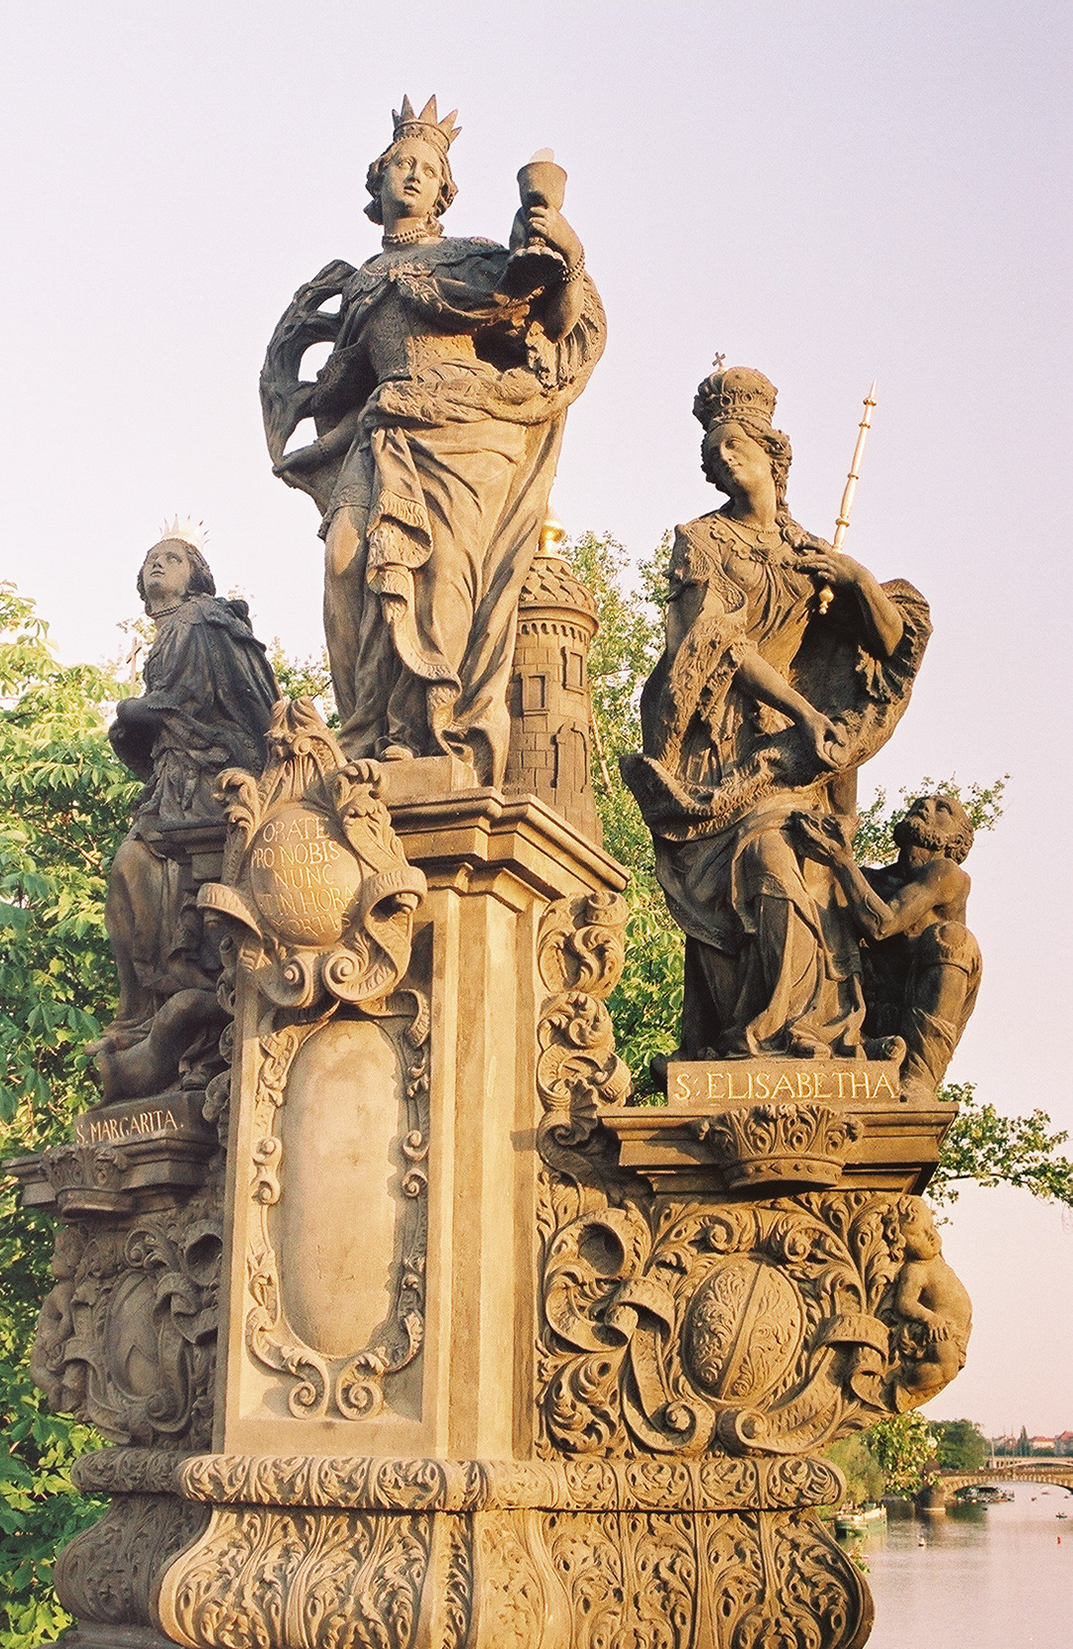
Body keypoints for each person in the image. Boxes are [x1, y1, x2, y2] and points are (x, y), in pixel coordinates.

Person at [263, 97, 606, 786]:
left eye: (427, 168)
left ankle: (430, 736)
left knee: (445, 574)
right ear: (379, 180)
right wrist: (287, 385)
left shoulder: (473, 257)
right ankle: (363, 728)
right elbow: (340, 382)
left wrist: (559, 249)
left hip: (467, 432)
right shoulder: (364, 281)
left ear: (445, 189)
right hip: (384, 428)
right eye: (401, 165)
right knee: (346, 560)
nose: (413, 176)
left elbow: (546, 310)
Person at [622, 367, 931, 1061]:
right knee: (767, 867)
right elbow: (715, 642)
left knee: (806, 873)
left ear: (771, 455)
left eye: (737, 447)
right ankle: (766, 1035)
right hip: (719, 752)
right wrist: (798, 709)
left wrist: (853, 579)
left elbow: (886, 644)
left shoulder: (808, 550)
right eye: (715, 453)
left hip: (796, 758)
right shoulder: (699, 542)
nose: (724, 460)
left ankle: (802, 1032)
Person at [89, 526, 279, 1102]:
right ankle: (145, 1012)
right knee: (132, 867)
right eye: (150, 560)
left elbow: (243, 706)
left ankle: (178, 999)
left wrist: (133, 710)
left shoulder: (203, 621)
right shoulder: (173, 631)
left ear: (195, 577)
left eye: (171, 558)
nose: (157, 566)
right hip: (172, 783)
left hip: (207, 783)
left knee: (157, 871)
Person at [795, 793, 981, 1098]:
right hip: (869, 1011)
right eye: (922, 803)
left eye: (942, 809)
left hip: (919, 1014)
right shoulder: (870, 880)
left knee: (953, 940)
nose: (925, 807)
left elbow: (884, 924)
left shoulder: (948, 875)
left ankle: (918, 1079)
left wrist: (841, 860)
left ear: (955, 841)